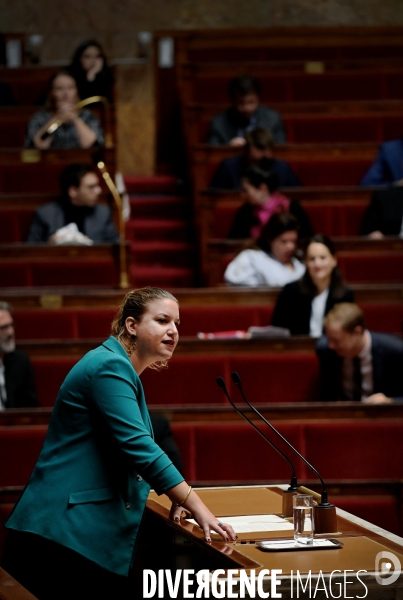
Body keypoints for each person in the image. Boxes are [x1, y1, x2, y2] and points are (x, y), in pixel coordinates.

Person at [2, 287, 236, 599]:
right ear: (131, 326)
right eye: (163, 320)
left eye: (177, 323)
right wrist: (195, 504)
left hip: (75, 534)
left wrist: (176, 498)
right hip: (62, 534)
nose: (174, 331)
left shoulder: (117, 367)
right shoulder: (108, 367)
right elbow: (138, 446)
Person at [316, 302, 403, 404]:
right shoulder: (325, 350)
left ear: (357, 332)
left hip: (380, 415)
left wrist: (389, 401)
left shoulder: (395, 351)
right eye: (329, 339)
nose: (331, 345)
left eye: (336, 340)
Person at [271, 234, 354, 337]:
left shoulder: (345, 294)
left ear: (334, 260)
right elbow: (278, 331)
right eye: (312, 259)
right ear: (305, 262)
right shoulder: (290, 292)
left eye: (323, 258)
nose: (317, 264)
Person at [27, 163, 119, 244]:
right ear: (73, 191)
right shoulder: (45, 214)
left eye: (97, 185)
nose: (99, 190)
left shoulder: (103, 213)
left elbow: (117, 247)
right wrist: (50, 245)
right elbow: (30, 251)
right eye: (91, 187)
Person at [227, 158, 313, 240]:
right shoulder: (244, 212)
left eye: (245, 190)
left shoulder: (292, 208)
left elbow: (307, 239)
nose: (242, 195)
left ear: (262, 188)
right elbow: (234, 244)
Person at [25, 69, 104, 150]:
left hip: (82, 161)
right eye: (59, 89)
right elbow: (39, 146)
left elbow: (92, 146)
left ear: (76, 91)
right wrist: (57, 118)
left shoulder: (88, 116)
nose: (65, 93)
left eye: (70, 88)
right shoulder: (39, 118)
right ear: (51, 92)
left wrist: (75, 119)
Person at [224, 212, 305, 287]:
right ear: (270, 240)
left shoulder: (299, 263)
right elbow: (236, 283)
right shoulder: (251, 258)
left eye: (294, 241)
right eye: (283, 241)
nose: (290, 247)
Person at [210, 127, 300, 190]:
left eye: (269, 148)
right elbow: (215, 195)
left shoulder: (283, 168)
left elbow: (297, 195)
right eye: (260, 148)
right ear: (248, 148)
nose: (266, 154)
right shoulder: (229, 166)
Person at [207, 75, 287, 146]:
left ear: (258, 98)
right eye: (241, 103)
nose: (246, 108)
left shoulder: (273, 119)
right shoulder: (219, 122)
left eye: (251, 102)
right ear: (233, 101)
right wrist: (228, 148)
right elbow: (213, 153)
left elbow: (281, 151)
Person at [0, 302, 38, 409]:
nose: (11, 332)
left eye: (11, 325)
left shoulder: (20, 361)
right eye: (3, 328)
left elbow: (30, 407)